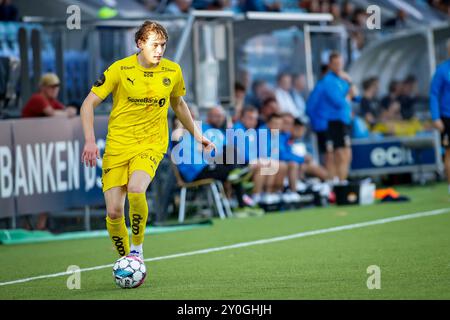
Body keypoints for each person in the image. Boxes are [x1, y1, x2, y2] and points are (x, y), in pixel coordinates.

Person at [80, 21, 216, 261]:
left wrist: (199, 136)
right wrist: (90, 141)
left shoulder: (172, 71)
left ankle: (137, 251)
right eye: (154, 45)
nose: (159, 50)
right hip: (118, 146)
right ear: (140, 44)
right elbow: (88, 104)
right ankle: (125, 259)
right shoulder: (119, 70)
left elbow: (179, 104)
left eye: (163, 45)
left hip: (151, 144)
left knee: (135, 189)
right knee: (113, 212)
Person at [21, 73, 77, 231]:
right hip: (26, 152)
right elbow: (53, 114)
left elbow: (67, 111)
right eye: (51, 86)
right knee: (29, 189)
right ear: (43, 87)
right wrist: (66, 113)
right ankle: (26, 226)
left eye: (56, 86)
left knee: (46, 188)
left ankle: (40, 226)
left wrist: (67, 112)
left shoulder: (52, 101)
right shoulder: (38, 99)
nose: (55, 89)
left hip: (41, 153)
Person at [321, 52, 353, 182]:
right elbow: (339, 101)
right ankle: (337, 182)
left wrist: (350, 82)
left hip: (344, 120)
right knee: (337, 153)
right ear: (330, 65)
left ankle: (342, 180)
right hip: (334, 121)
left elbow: (356, 96)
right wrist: (348, 96)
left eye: (340, 63)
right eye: (335, 64)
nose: (338, 66)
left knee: (346, 153)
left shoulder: (344, 79)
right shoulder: (328, 81)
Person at [430, 39, 450, 194]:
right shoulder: (442, 70)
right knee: (449, 151)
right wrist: (436, 117)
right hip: (447, 116)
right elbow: (434, 94)